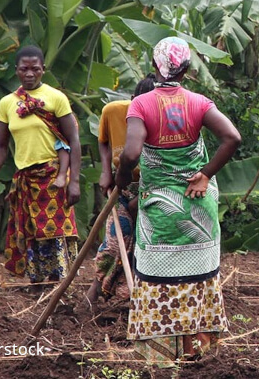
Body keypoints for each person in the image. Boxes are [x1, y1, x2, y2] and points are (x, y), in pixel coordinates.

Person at [115, 37, 241, 362]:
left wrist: (122, 176)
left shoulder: (141, 104)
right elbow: (232, 137)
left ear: (155, 66)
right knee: (199, 283)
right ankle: (197, 355)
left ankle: (162, 360)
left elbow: (130, 153)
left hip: (162, 216)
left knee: (159, 283)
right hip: (199, 211)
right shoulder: (199, 102)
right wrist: (206, 173)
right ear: (186, 68)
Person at [0, 46, 83, 285]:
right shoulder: (7, 103)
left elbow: (73, 140)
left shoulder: (56, 98)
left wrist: (74, 180)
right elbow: (1, 145)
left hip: (53, 175)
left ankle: (59, 286)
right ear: (16, 71)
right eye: (24, 69)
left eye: (35, 69)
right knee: (33, 232)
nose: (29, 74)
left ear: (43, 70)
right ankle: (38, 282)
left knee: (54, 233)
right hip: (25, 179)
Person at [86, 74, 156, 308]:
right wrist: (106, 171)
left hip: (152, 192)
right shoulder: (113, 111)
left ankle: (127, 300)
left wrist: (141, 199)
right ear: (133, 100)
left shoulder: (161, 122)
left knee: (142, 248)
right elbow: (103, 141)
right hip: (121, 189)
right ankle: (94, 295)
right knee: (114, 244)